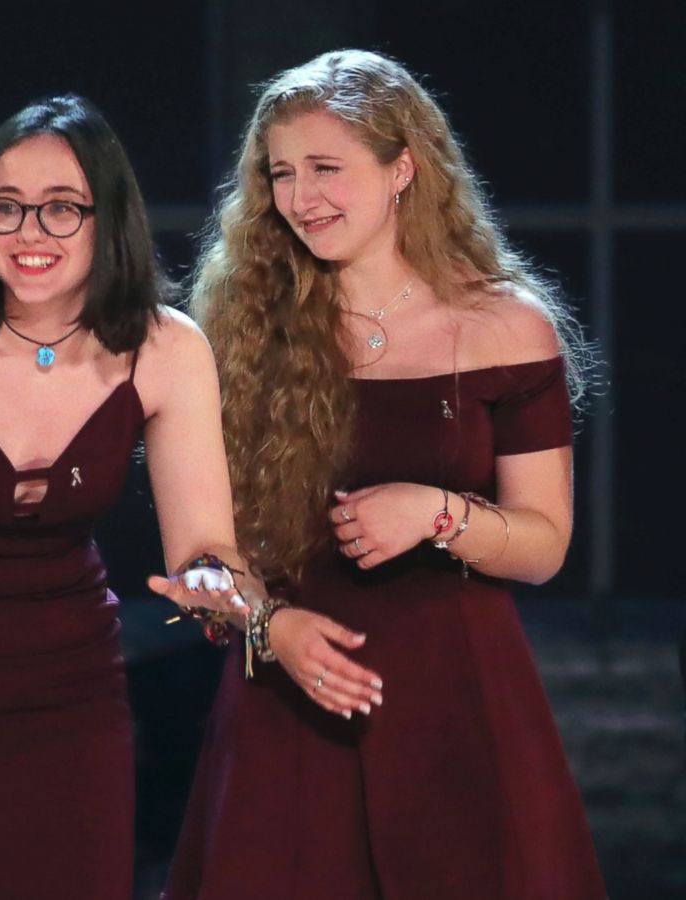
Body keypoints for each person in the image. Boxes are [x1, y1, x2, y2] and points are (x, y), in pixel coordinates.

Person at [163, 49, 606, 899]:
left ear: (403, 167)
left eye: (326, 168)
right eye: (282, 173)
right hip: (289, 696)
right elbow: (208, 548)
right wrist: (269, 628)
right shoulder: (238, 328)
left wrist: (438, 512)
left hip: (457, 705)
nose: (300, 197)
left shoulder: (507, 326)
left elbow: (544, 545)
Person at [0, 94, 262, 899]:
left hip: (75, 697)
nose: (29, 233)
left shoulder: (167, 348)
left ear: (109, 219)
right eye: (7, 207)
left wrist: (215, 584)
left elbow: (208, 547)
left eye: (61, 209)